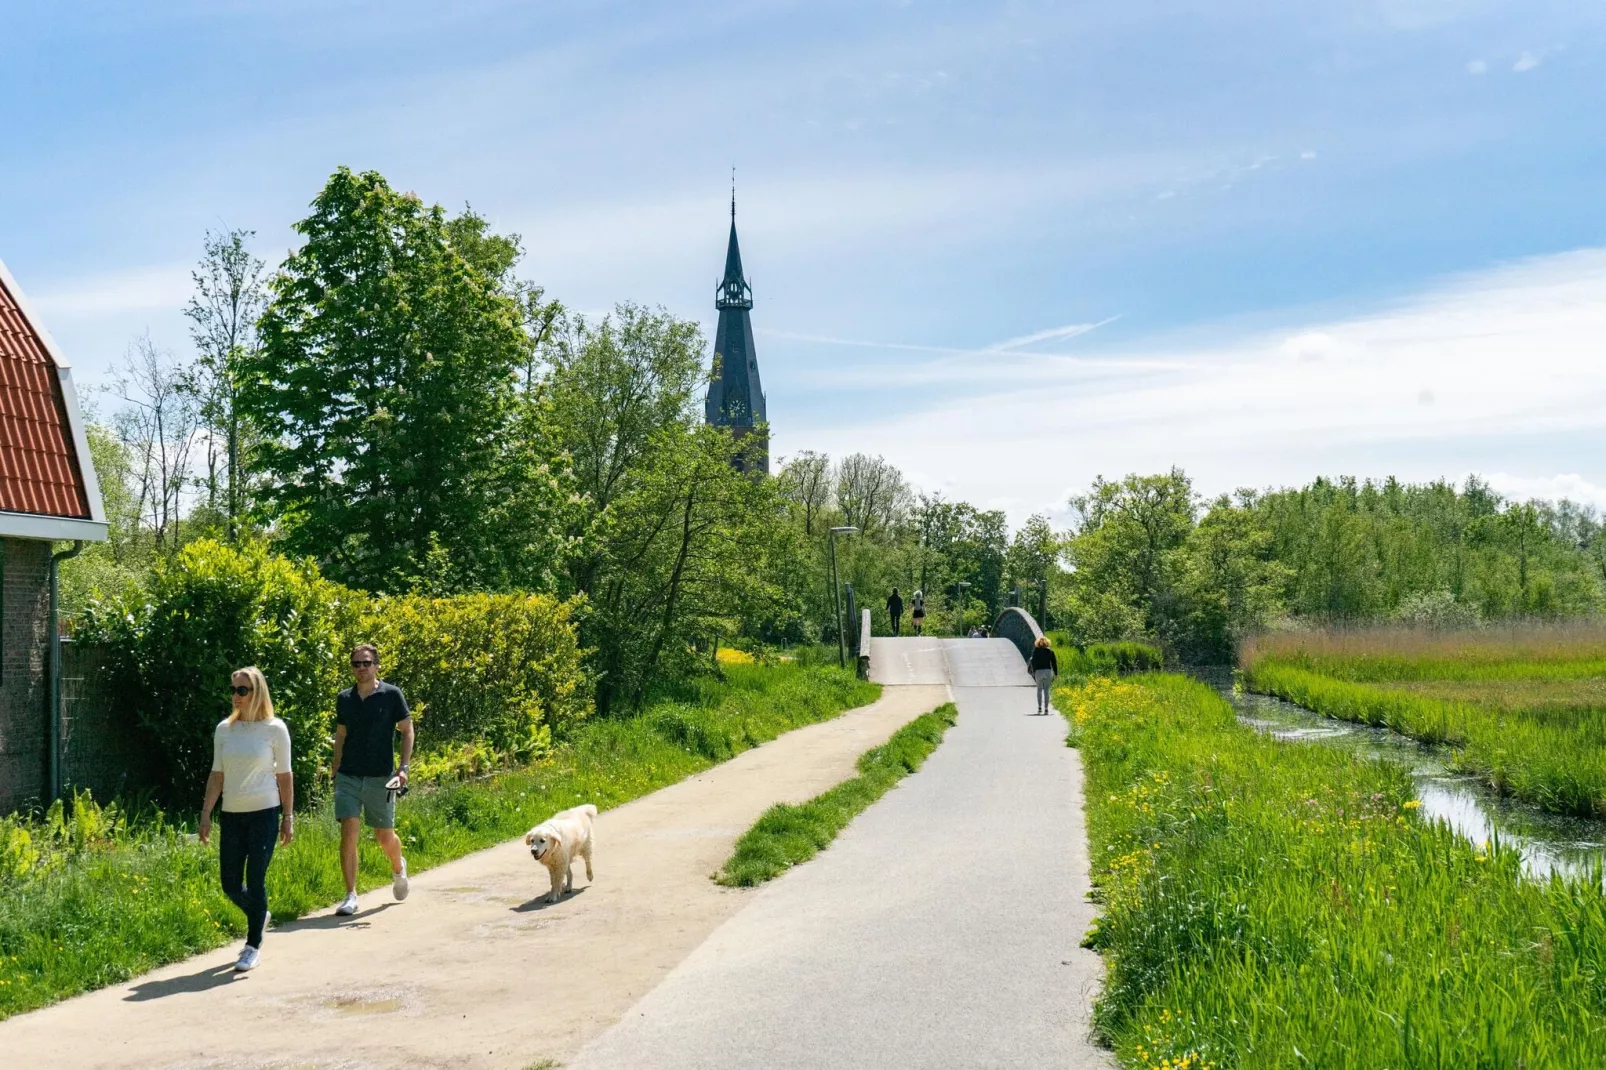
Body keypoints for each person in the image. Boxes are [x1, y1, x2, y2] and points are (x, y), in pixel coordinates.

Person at [199, 666, 293, 972]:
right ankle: (258, 912)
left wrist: (288, 817)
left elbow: (285, 775)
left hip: (265, 813)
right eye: (233, 690)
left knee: (255, 879)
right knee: (229, 883)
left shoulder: (274, 729)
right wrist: (206, 814)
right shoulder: (224, 730)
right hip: (232, 814)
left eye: (242, 690)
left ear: (257, 692)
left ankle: (252, 945)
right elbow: (217, 774)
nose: (236, 696)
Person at [332, 643, 415, 916]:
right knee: (349, 831)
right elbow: (341, 735)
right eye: (356, 664)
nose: (361, 668)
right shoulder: (344, 698)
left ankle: (398, 866)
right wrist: (335, 769)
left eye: (366, 663)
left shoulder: (392, 695)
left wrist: (403, 768)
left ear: (377, 665)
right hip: (348, 776)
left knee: (383, 835)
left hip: (381, 777)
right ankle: (350, 895)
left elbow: (407, 729)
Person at [1029, 636, 1059, 715]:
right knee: (1046, 690)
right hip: (1048, 672)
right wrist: (1056, 674)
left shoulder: (1035, 651)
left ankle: (1039, 708)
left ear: (1037, 643)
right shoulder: (1050, 652)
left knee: (1039, 689)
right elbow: (1054, 663)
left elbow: (1033, 663)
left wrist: (1034, 672)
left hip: (1038, 672)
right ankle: (1046, 709)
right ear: (1047, 642)